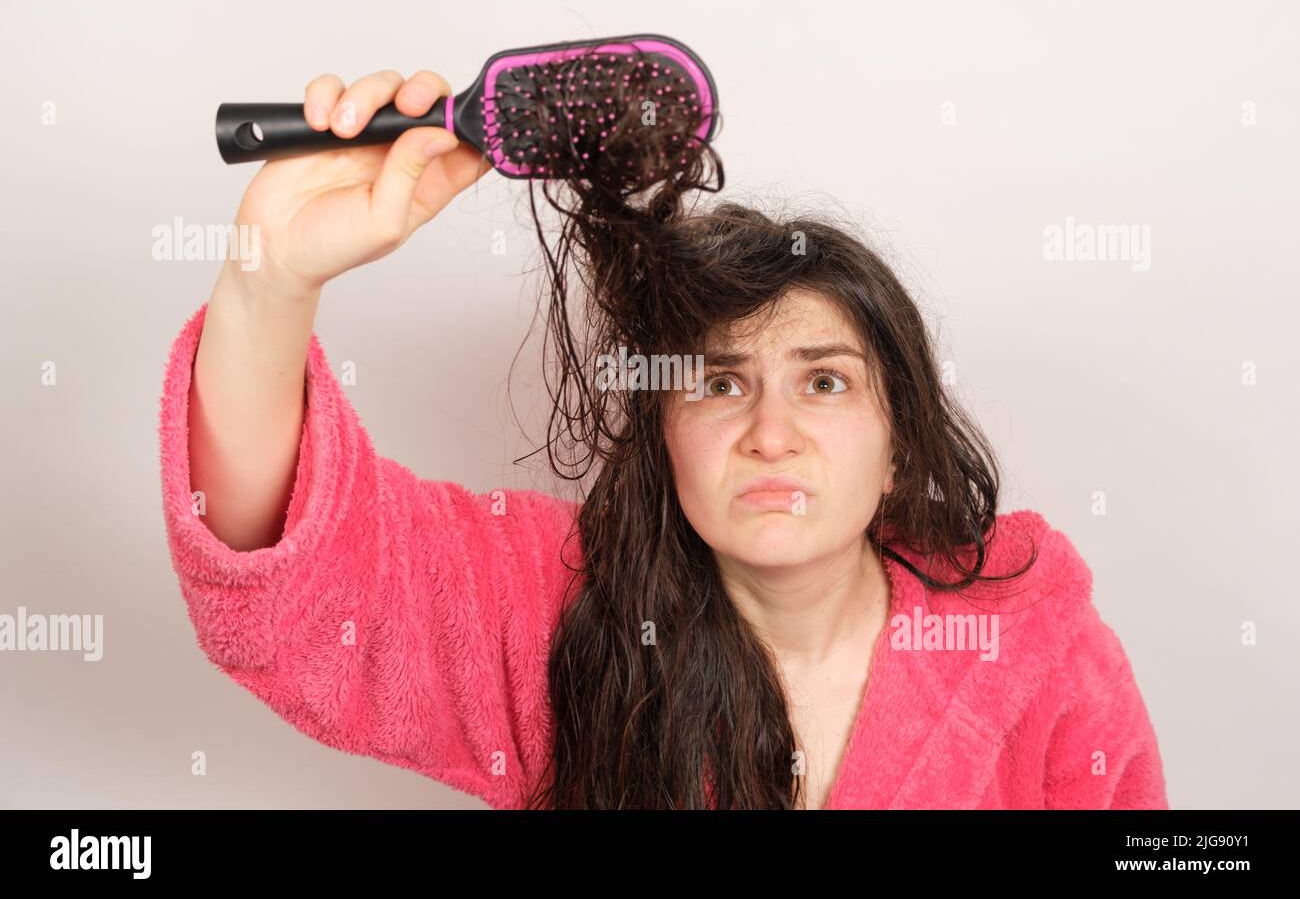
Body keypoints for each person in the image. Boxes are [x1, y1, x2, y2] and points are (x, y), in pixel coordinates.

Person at [159, 68, 1169, 810]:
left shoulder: (1040, 653)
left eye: (823, 381)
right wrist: (270, 275)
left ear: (900, 439)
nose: (770, 434)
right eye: (719, 383)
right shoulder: (557, 613)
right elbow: (291, 568)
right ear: (662, 432)